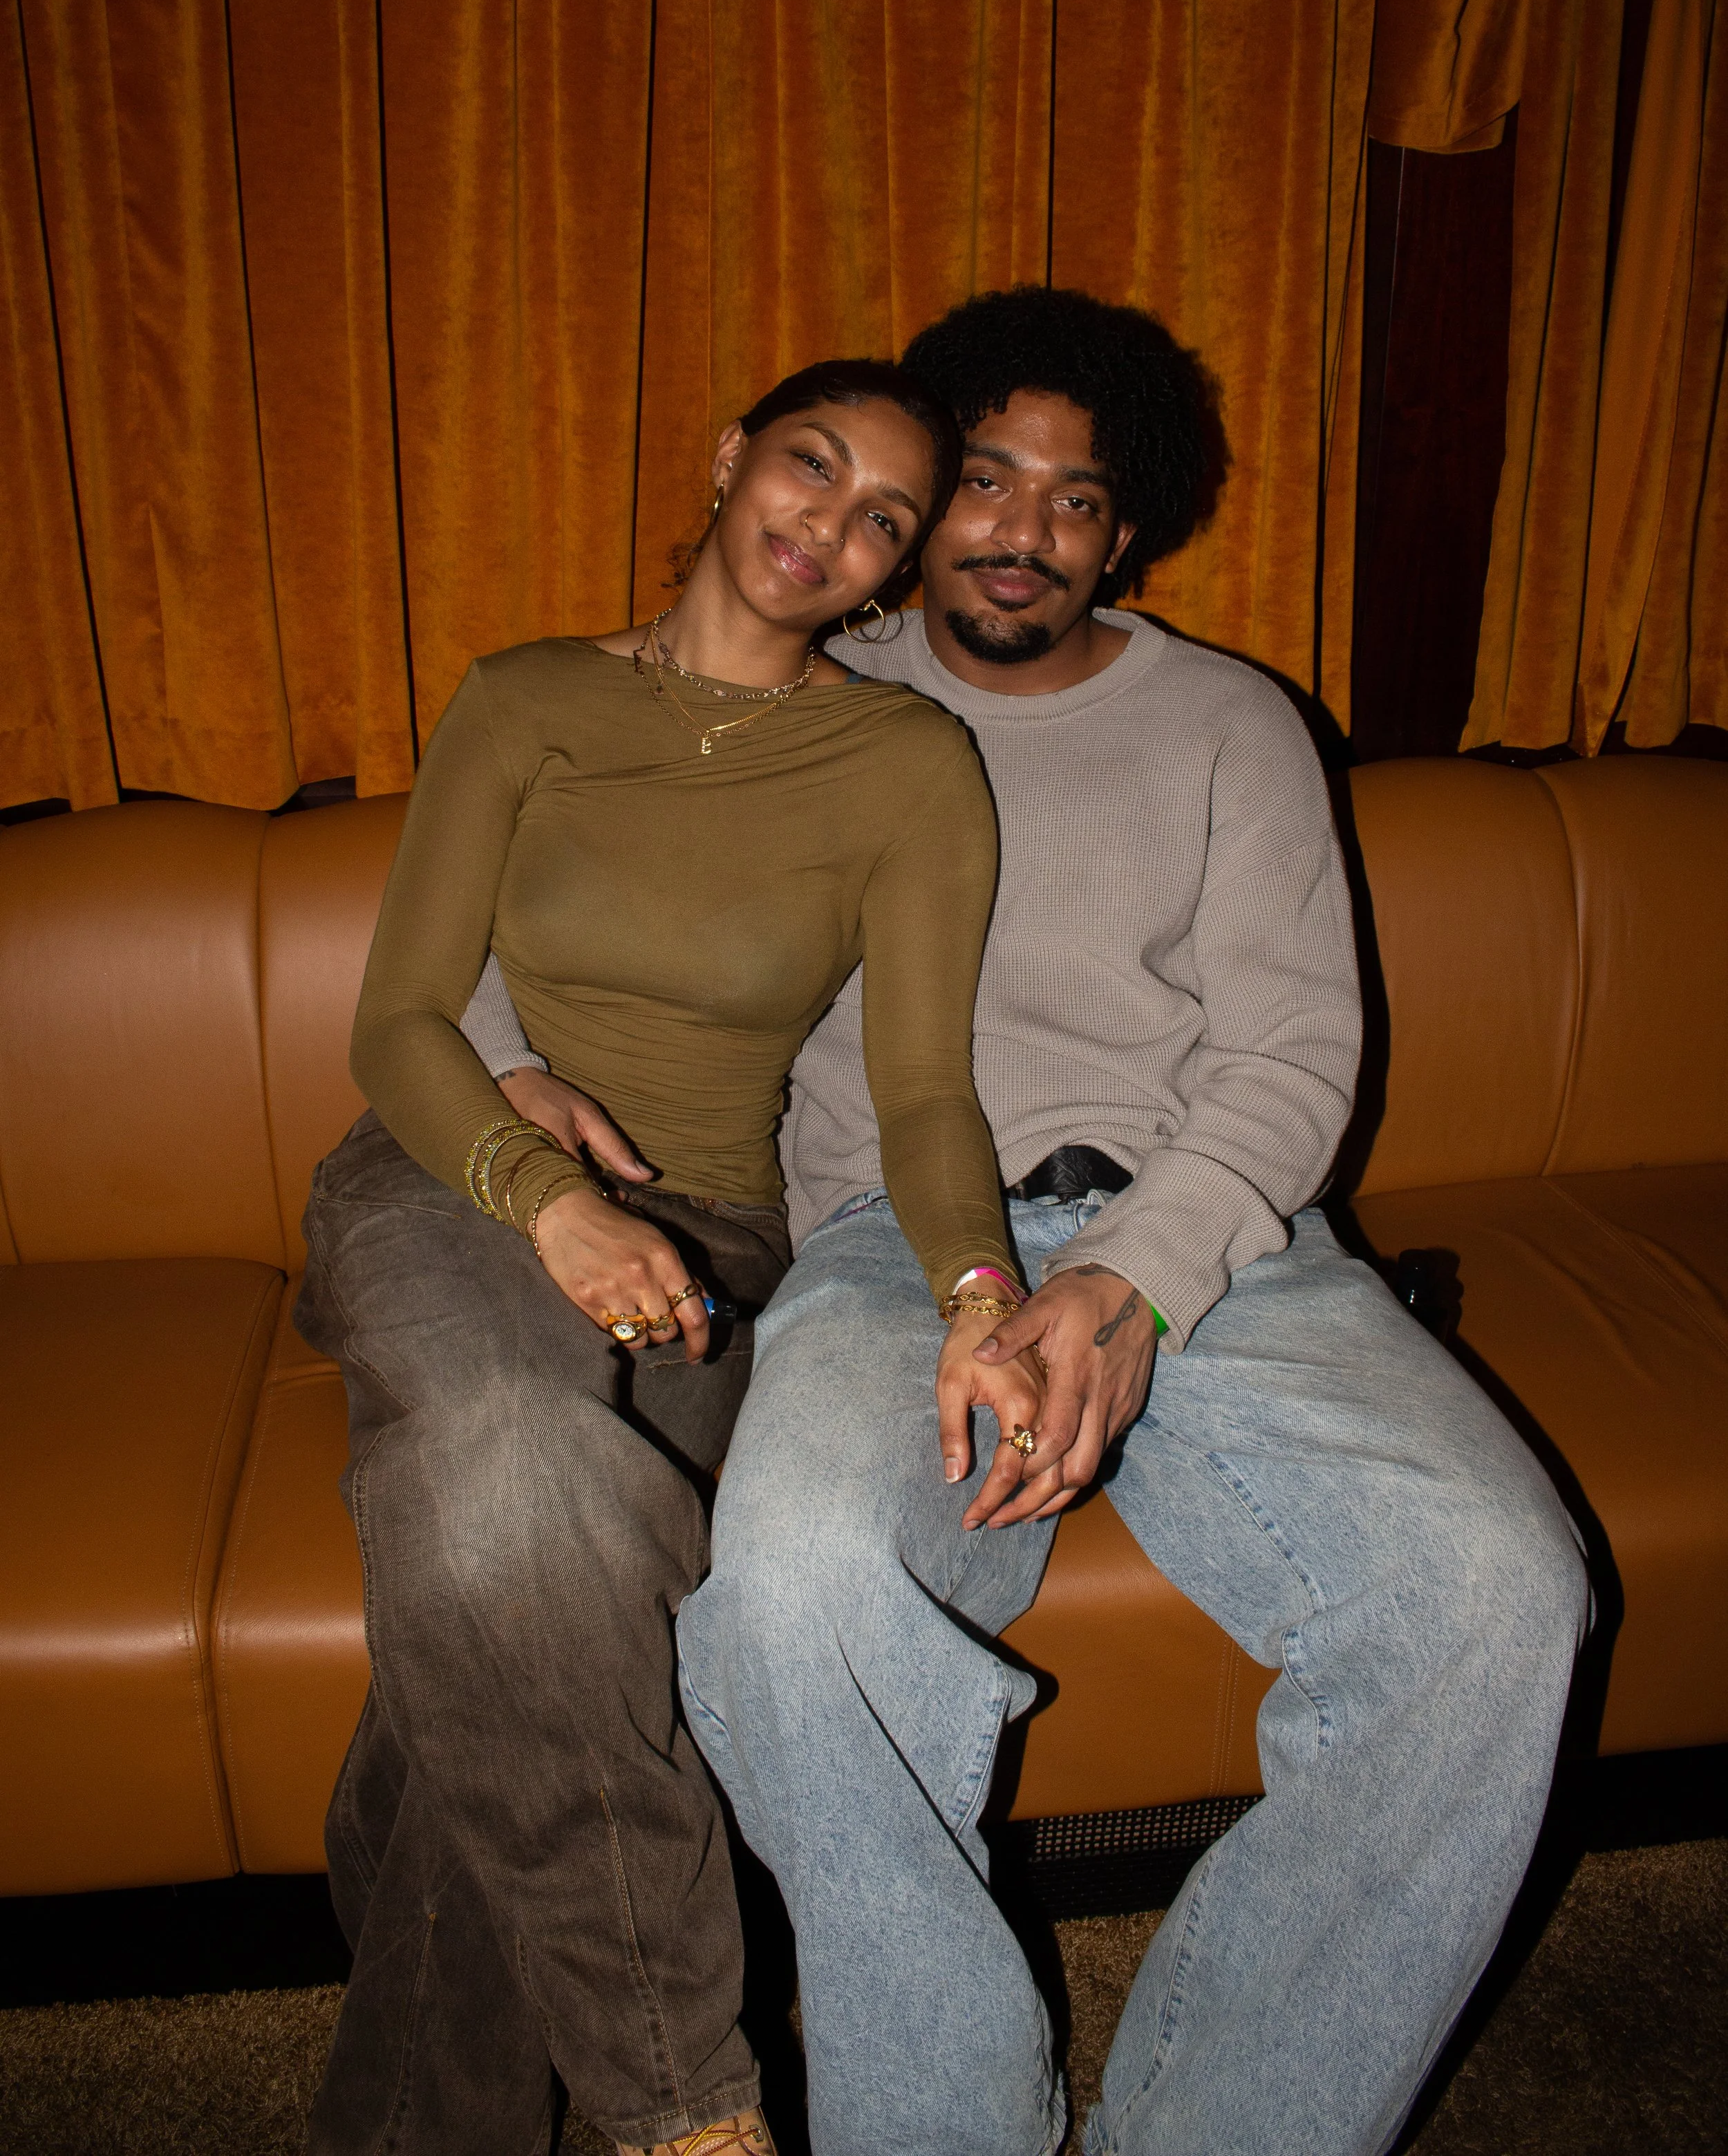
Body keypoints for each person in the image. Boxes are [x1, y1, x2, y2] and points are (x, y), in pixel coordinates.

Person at [486, 288, 1590, 2156]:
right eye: (983, 479)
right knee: (784, 1599)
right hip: (883, 1252)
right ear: (919, 511)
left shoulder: (1228, 725)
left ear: (1127, 526)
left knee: (1500, 1603)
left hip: (1214, 1241)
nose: (1021, 529)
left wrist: (1125, 1280)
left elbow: (1294, 1044)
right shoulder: (798, 702)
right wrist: (508, 1072)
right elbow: (571, 884)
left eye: (1076, 498)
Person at [298, 358, 1042, 2156]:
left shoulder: (905, 762)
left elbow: (927, 1092)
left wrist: (980, 1297)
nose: (832, 526)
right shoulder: (530, 695)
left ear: (891, 570)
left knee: (501, 1569)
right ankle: (683, 2103)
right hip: (450, 1178)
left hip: (708, 1239)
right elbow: (398, 1015)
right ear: (727, 461)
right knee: (522, 1487)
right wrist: (541, 1189)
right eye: (809, 467)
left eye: (883, 516)